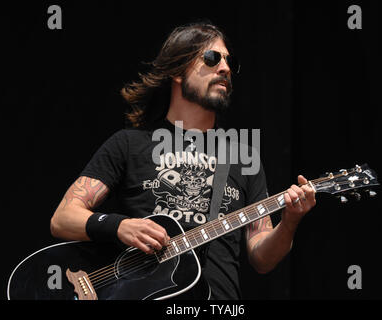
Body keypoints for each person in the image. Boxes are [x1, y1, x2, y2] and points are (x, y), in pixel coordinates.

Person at [50, 21, 316, 300]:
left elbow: (262, 258)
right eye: (212, 58)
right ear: (177, 71)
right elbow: (63, 217)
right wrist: (119, 226)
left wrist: (289, 223)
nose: (225, 69)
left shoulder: (242, 156)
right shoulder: (129, 144)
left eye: (230, 61)